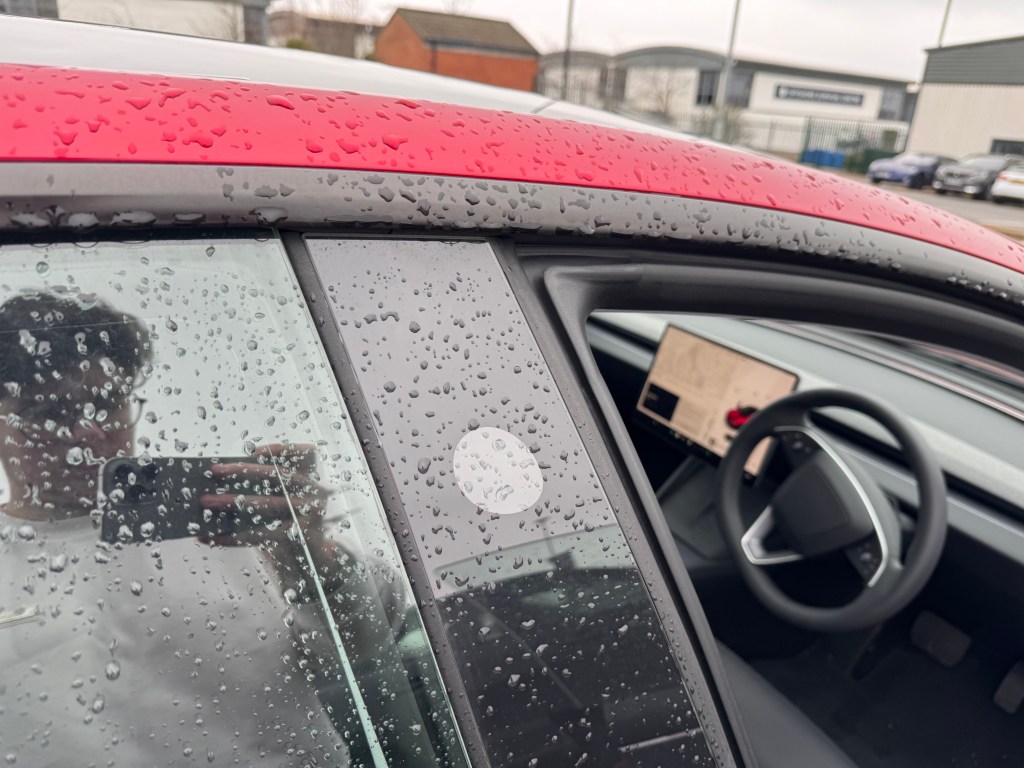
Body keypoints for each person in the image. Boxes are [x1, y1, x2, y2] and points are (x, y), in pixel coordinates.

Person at [0, 290, 362, 766]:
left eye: (107, 403)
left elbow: (369, 642)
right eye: (49, 413)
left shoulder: (225, 511)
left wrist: (314, 558)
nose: (88, 432)